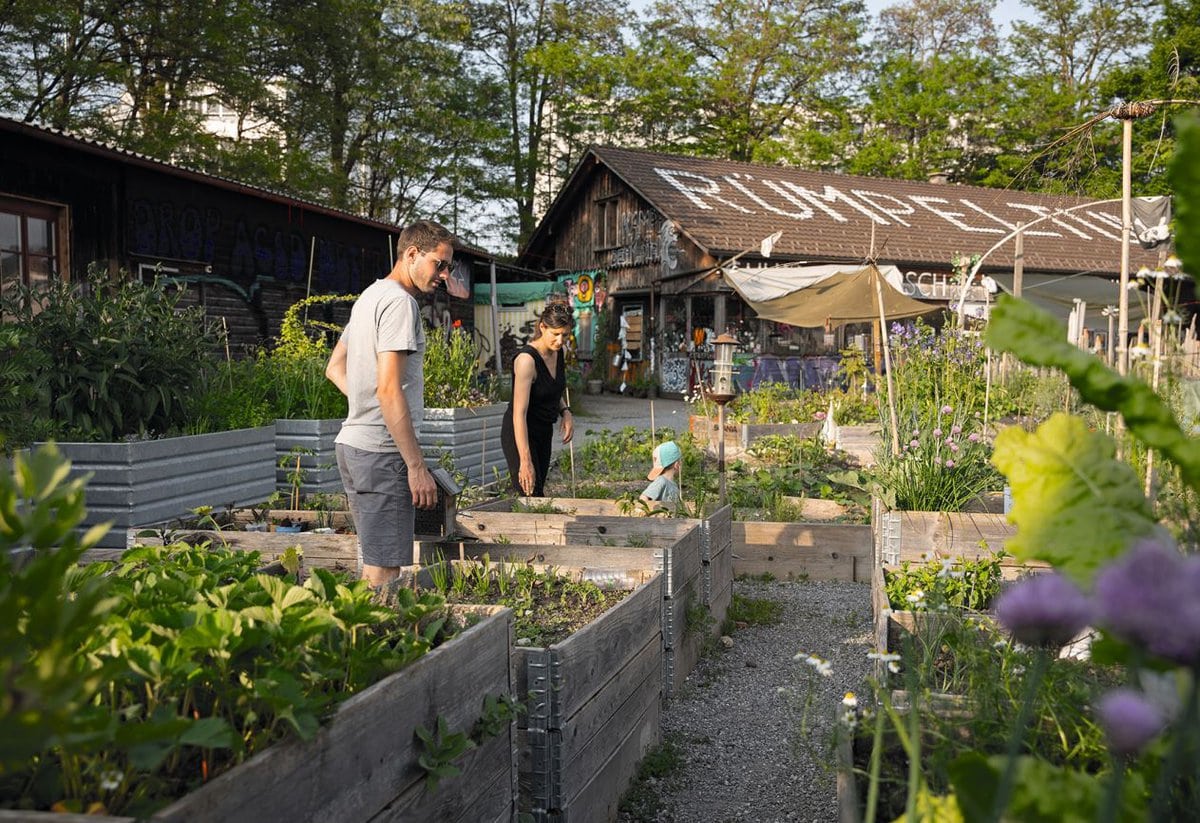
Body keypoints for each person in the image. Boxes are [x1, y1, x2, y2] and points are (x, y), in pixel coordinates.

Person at [325, 219, 454, 587]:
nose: (444, 274)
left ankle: (356, 639)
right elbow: (388, 390)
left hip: (352, 446)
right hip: (383, 455)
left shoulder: (369, 297)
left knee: (374, 564)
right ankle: (366, 641)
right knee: (385, 573)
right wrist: (416, 466)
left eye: (448, 266)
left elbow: (335, 368)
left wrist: (368, 404)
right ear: (412, 254)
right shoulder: (400, 304)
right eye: (439, 264)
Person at [501, 302, 575, 496]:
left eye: (565, 335)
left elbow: (551, 389)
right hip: (520, 432)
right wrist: (525, 461)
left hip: (544, 430)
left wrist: (565, 411)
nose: (560, 341)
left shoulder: (560, 353)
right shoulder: (527, 361)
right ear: (542, 327)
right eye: (555, 334)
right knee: (529, 492)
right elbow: (519, 413)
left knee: (538, 491)